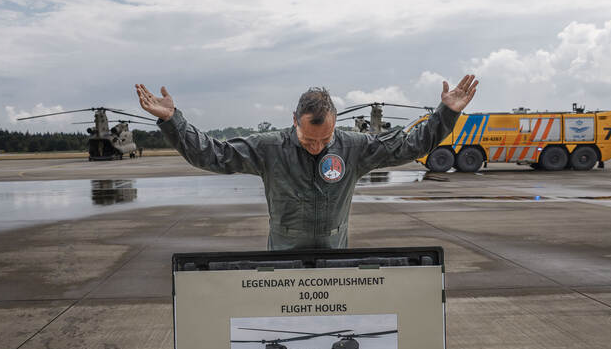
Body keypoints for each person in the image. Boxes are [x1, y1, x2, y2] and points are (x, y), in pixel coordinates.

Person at [135, 75, 477, 250]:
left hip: (335, 258)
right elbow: (211, 154)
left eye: (324, 140)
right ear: (293, 120)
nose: (316, 148)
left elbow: (409, 145)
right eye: (308, 140)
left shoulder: (353, 147)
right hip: (282, 262)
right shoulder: (269, 148)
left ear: (335, 125)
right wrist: (172, 122)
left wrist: (446, 114)